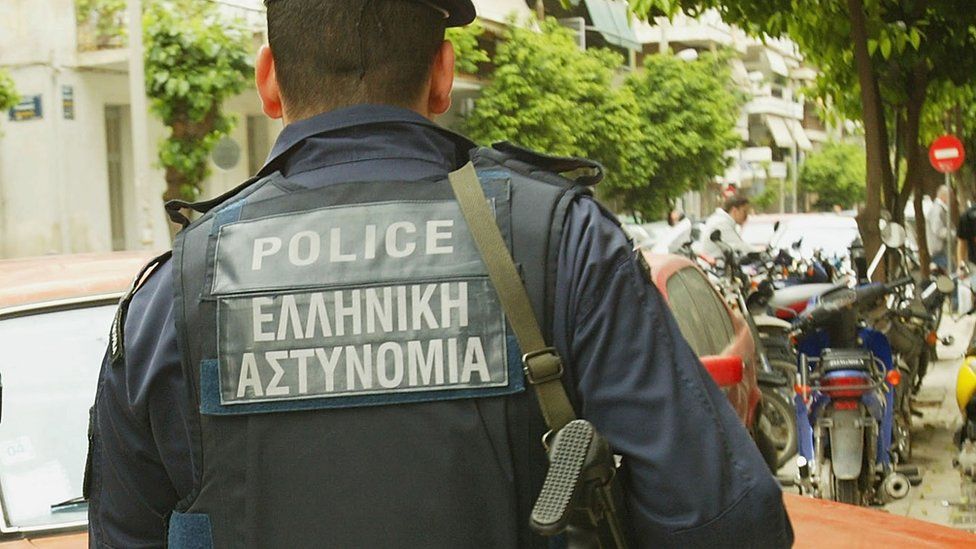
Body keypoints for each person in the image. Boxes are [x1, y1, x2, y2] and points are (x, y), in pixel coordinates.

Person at [86, 1, 793, 547]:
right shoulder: (560, 241)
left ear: (268, 82)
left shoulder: (170, 296)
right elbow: (728, 520)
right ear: (443, 75)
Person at [927, 185, 951, 271]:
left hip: (942, 251)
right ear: (944, 196)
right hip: (939, 251)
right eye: (949, 196)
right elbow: (938, 230)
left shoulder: (940, 209)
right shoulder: (937, 209)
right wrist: (953, 234)